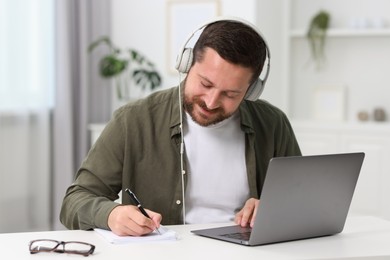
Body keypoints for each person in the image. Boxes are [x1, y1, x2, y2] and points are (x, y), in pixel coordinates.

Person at [60, 17, 301, 237]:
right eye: (205, 83)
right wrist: (111, 215)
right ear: (186, 64)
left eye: (230, 94)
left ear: (250, 92)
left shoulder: (273, 123)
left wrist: (273, 207)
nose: (211, 101)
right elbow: (75, 201)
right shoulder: (132, 121)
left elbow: (301, 200)